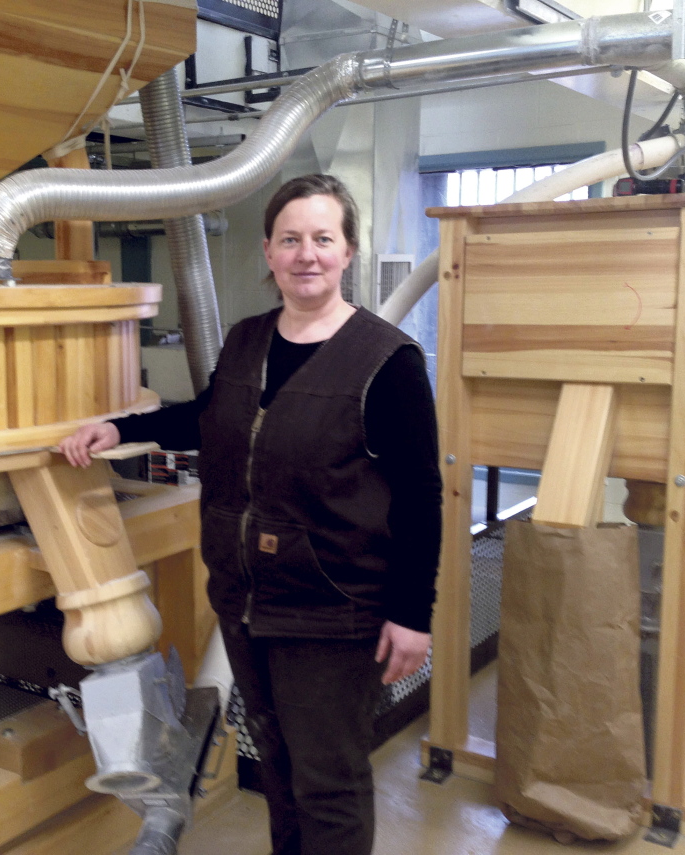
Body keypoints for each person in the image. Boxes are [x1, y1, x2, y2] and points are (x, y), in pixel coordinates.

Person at [61, 173, 442, 855]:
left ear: (347, 251)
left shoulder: (388, 362)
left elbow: (420, 496)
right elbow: (212, 417)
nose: (307, 254)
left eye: (323, 238)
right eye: (291, 239)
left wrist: (414, 613)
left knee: (328, 781)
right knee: (279, 767)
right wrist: (120, 428)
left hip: (333, 609)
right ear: (268, 251)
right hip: (246, 600)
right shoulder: (246, 341)